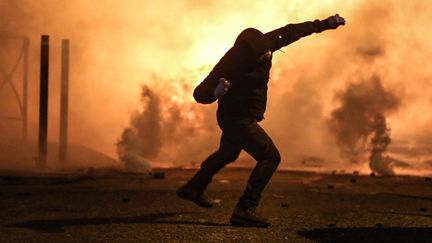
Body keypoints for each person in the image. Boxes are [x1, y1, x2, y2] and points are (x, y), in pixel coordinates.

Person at [177, 14, 345, 227]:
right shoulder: (230, 63)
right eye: (261, 56)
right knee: (270, 156)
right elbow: (199, 92)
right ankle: (245, 208)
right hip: (236, 119)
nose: (267, 56)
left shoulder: (268, 42)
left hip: (243, 116)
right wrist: (215, 93)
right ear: (246, 56)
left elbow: (294, 31)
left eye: (268, 53)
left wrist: (325, 24)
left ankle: (194, 187)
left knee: (227, 153)